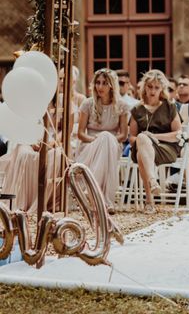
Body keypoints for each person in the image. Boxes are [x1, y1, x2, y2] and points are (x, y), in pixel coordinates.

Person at [129, 70, 181, 213]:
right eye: (150, 86)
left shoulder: (169, 107)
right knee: (141, 140)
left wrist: (154, 137)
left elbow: (178, 134)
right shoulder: (137, 109)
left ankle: (149, 200)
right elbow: (131, 137)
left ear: (162, 89)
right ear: (144, 87)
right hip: (142, 147)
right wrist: (144, 139)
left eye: (156, 87)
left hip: (166, 148)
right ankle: (153, 180)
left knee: (142, 149)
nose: (152, 91)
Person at [76, 69, 128, 213]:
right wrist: (97, 140)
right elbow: (80, 134)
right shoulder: (87, 104)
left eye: (104, 83)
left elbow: (123, 135)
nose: (100, 87)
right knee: (104, 140)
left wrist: (107, 139)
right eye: (98, 83)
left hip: (113, 145)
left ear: (112, 85)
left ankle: (94, 193)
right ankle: (104, 200)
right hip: (89, 145)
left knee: (106, 139)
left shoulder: (121, 105)